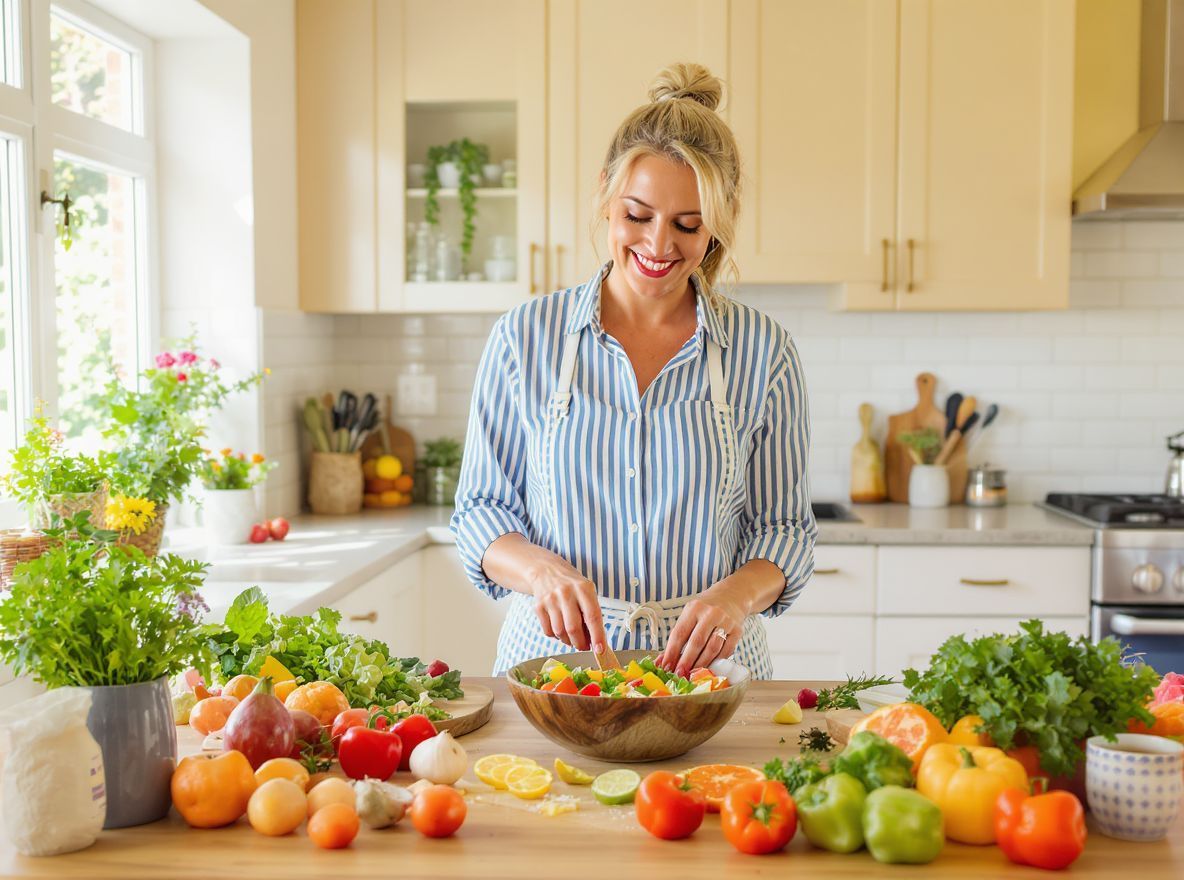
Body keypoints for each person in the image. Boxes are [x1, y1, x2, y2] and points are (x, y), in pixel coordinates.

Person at [451, 62, 816, 680]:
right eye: (637, 215)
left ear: (719, 223)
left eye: (687, 225)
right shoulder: (525, 338)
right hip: (554, 674)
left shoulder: (765, 352)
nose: (657, 246)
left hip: (710, 680)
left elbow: (784, 529)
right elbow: (481, 511)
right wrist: (540, 572)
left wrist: (736, 596)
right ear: (605, 194)